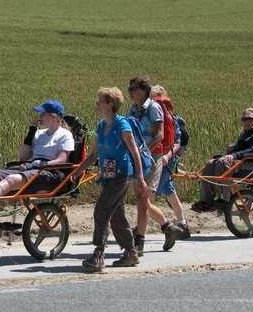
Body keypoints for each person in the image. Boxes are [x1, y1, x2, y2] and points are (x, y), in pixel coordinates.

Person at [72, 87, 148, 271]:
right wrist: (78, 171)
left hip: (121, 176)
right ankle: (130, 251)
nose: (97, 104)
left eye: (101, 102)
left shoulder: (122, 126)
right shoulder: (101, 125)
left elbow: (134, 152)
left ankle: (99, 253)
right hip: (108, 176)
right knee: (116, 215)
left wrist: (140, 177)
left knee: (101, 211)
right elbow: (94, 154)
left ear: (110, 105)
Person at [0, 100, 75, 199]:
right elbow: (23, 157)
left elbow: (61, 160)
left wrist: (36, 165)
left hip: (50, 173)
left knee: (12, 179)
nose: (39, 116)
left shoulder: (65, 135)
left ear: (53, 117)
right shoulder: (39, 133)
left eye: (43, 114)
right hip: (32, 170)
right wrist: (30, 134)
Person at [127, 76, 183, 255]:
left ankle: (139, 243)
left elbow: (159, 135)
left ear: (144, 91)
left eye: (134, 89)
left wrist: (146, 152)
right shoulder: (132, 109)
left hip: (152, 157)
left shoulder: (153, 107)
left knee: (143, 199)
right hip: (138, 157)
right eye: (130, 89)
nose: (131, 92)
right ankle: (168, 228)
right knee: (140, 199)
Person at [191, 108, 253, 212]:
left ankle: (224, 200)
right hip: (242, 161)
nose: (246, 121)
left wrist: (235, 154)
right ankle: (206, 201)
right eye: (244, 119)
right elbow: (242, 146)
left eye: (249, 119)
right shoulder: (245, 133)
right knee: (210, 163)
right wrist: (233, 147)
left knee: (223, 162)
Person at [150, 85, 191, 239]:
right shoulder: (171, 117)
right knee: (169, 193)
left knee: (150, 196)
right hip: (167, 160)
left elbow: (176, 141)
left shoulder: (159, 117)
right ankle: (182, 224)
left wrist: (166, 157)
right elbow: (178, 141)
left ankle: (142, 230)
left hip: (161, 160)